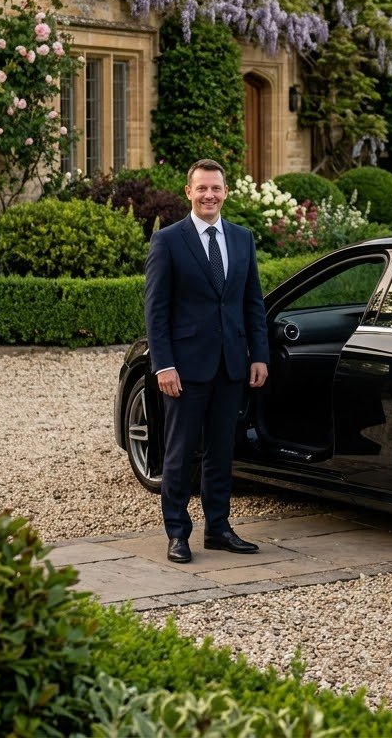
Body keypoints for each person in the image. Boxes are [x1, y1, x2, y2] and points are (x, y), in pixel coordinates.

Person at [144, 158, 269, 564]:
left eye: (215, 188)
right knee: (180, 454)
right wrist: (163, 365)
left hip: (232, 365)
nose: (209, 195)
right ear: (189, 193)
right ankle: (177, 533)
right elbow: (156, 311)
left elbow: (252, 304)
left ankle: (218, 528)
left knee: (221, 451)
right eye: (201, 189)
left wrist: (259, 355)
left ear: (225, 192)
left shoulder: (242, 238)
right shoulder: (167, 241)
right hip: (184, 368)